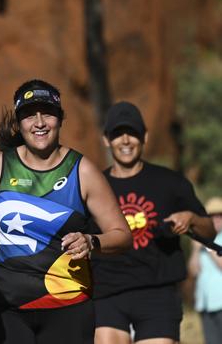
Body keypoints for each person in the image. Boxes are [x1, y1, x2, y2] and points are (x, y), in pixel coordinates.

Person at [0, 79, 132, 344]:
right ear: (19, 123)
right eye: (29, 115)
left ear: (60, 120)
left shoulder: (82, 171)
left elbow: (122, 235)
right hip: (6, 307)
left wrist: (92, 241)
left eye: (48, 113)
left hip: (68, 306)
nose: (39, 122)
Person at [89, 101, 216, 344]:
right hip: (107, 293)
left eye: (133, 133)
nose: (125, 141)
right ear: (106, 139)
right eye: (117, 134)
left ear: (145, 136)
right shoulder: (94, 185)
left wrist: (191, 219)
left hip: (158, 292)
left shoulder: (170, 182)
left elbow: (209, 231)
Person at [189, 197, 222, 344]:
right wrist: (195, 251)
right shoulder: (200, 241)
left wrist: (209, 246)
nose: (216, 219)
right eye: (212, 216)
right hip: (205, 303)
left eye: (219, 215)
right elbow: (193, 271)